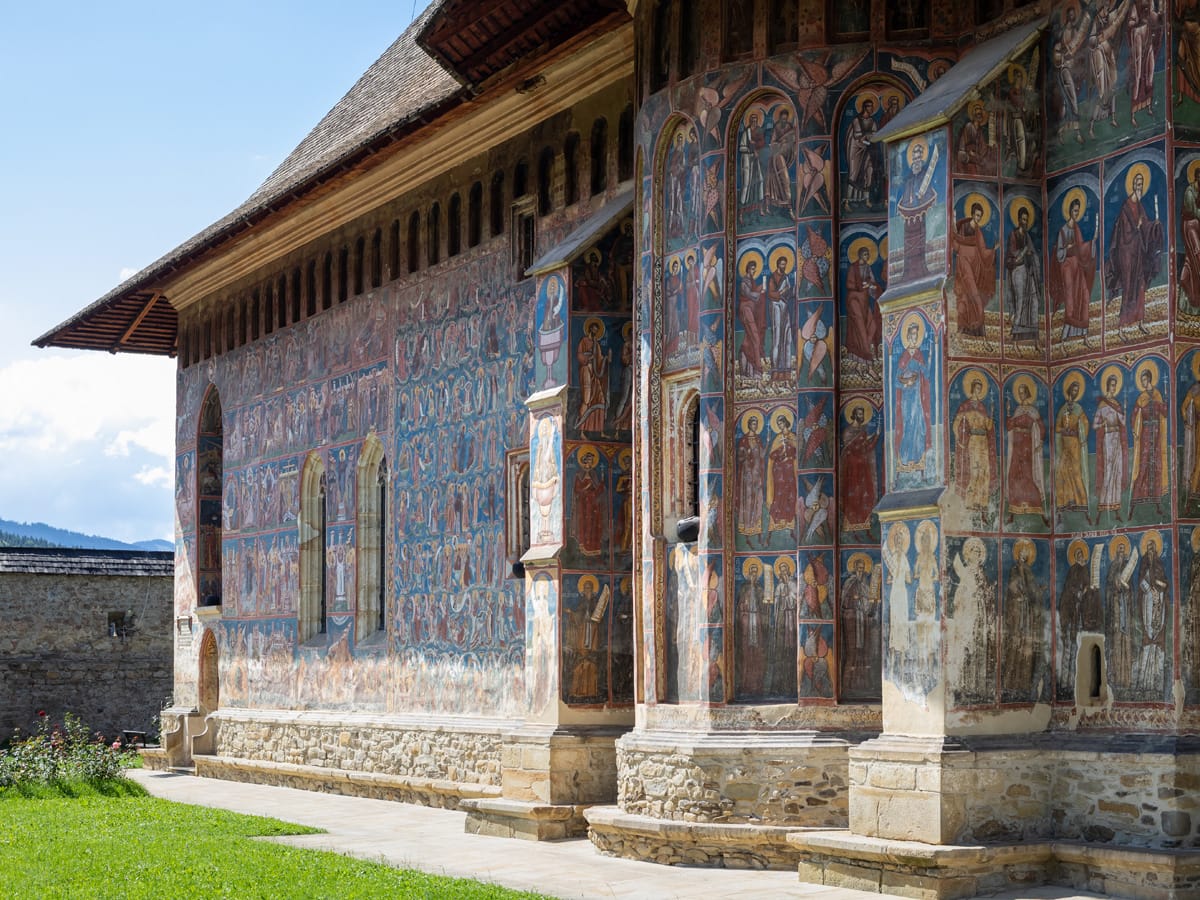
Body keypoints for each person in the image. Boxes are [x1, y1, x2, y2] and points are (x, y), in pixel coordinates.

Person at [1107, 169, 1162, 331]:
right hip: (1127, 254)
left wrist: (1154, 226)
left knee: (1140, 285)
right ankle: (1121, 326)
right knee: (1128, 287)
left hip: (1138, 252)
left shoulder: (1140, 205)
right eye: (1137, 184)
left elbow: (1144, 227)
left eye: (1141, 184)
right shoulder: (1126, 207)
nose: (1139, 187)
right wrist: (1136, 227)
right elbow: (1123, 235)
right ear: (1132, 185)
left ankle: (1140, 322)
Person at [1050, 196, 1096, 343]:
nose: (1076, 214)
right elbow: (1058, 255)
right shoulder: (1063, 231)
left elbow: (1082, 249)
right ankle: (1065, 335)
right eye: (1075, 211)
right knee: (1070, 299)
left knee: (1084, 295)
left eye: (1078, 211)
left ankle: (1083, 334)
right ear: (1070, 211)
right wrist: (1067, 248)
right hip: (1067, 268)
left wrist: (1091, 243)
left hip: (1078, 266)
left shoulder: (1077, 230)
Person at [1002, 541, 1042, 701]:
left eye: (1026, 553)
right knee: (1015, 648)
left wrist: (1038, 592)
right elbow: (1012, 588)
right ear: (1018, 554)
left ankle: (1024, 685)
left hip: (1027, 617)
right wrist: (1019, 593)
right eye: (1021, 552)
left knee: (1027, 649)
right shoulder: (1014, 570)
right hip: (1017, 616)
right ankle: (1010, 685)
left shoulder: (1029, 571)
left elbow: (1033, 591)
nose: (1023, 555)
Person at [952, 376, 997, 513]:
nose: (978, 390)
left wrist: (992, 415)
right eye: (977, 388)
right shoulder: (965, 406)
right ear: (972, 388)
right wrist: (958, 438)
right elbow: (956, 423)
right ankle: (970, 501)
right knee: (975, 471)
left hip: (983, 441)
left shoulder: (983, 407)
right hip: (974, 441)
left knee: (985, 471)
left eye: (980, 388)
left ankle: (981, 502)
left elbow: (988, 427)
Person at [1006, 380, 1048, 525]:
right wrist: (1008, 416)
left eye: (1023, 392)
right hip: (1017, 446)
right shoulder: (1017, 410)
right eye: (1020, 393)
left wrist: (1040, 442)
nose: (1021, 395)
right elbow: (1010, 426)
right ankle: (1013, 512)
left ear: (1027, 394)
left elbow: (1041, 426)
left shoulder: (1032, 410)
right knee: (1013, 475)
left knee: (1029, 476)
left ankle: (1040, 511)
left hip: (1027, 445)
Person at [1129, 364, 1168, 516]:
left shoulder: (1158, 395)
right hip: (1146, 434)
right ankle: (1133, 505)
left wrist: (1164, 402)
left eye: (1144, 379)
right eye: (1142, 380)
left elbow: (1164, 413)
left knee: (1156, 467)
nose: (1143, 382)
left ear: (1149, 379)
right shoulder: (1141, 397)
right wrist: (1134, 428)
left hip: (1157, 434)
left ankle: (1157, 503)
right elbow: (1134, 414)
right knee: (1143, 466)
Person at [953, 202, 995, 338]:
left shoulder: (978, 232)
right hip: (964, 263)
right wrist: (953, 220)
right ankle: (963, 327)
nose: (978, 218)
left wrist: (993, 250)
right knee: (966, 296)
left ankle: (976, 328)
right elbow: (956, 240)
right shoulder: (963, 226)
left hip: (975, 266)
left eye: (980, 216)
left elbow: (982, 251)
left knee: (973, 294)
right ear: (972, 214)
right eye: (977, 215)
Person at [895, 321, 931, 474]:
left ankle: (917, 460)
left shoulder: (919, 355)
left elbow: (927, 375)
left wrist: (925, 363)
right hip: (906, 398)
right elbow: (896, 380)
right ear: (908, 336)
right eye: (912, 334)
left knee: (917, 425)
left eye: (916, 335)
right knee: (907, 425)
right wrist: (906, 384)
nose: (914, 337)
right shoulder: (903, 356)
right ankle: (904, 459)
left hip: (917, 398)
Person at [1133, 535, 1167, 695]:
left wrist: (1160, 587)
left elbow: (1165, 582)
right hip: (1147, 601)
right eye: (1148, 549)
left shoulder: (1159, 564)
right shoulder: (1144, 565)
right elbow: (1141, 582)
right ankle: (1143, 682)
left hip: (1158, 603)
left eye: (1153, 548)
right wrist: (1150, 588)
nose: (1151, 551)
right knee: (1148, 637)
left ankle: (1157, 683)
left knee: (1158, 640)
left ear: (1156, 550)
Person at [1092, 371, 1127, 524]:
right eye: (1112, 385)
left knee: (1117, 472)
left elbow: (1124, 423)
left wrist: (1122, 413)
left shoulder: (1118, 404)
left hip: (1117, 438)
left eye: (1115, 386)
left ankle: (1116, 508)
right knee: (1108, 472)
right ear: (1108, 386)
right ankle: (1102, 508)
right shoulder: (1102, 404)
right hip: (1107, 439)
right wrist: (1103, 424)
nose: (1113, 388)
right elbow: (1094, 425)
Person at [840, 404, 879, 537]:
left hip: (863, 468)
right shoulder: (848, 431)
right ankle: (853, 529)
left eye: (863, 414)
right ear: (854, 415)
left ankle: (865, 527)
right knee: (853, 497)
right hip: (852, 469)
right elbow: (851, 448)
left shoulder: (863, 431)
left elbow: (866, 448)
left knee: (865, 494)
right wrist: (865, 441)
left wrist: (877, 437)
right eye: (860, 414)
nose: (862, 416)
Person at [1005, 205, 1042, 344]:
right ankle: (1015, 335)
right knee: (1020, 302)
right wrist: (1024, 252)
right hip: (1018, 271)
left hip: (1028, 270)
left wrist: (1031, 255)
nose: (1025, 222)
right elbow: (1013, 255)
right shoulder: (1013, 235)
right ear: (1019, 220)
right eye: (1023, 219)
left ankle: (1035, 338)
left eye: (1027, 220)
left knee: (1034, 301)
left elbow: (1033, 254)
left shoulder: (1027, 237)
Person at [844, 245, 882, 361]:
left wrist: (871, 285)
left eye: (868, 254)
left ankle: (866, 349)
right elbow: (849, 284)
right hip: (854, 299)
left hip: (864, 300)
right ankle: (865, 354)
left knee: (872, 325)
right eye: (865, 254)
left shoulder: (868, 267)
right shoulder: (853, 268)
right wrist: (861, 285)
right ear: (860, 255)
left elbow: (872, 282)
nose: (867, 256)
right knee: (859, 324)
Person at [575, 320, 611, 435]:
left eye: (597, 330)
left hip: (595, 374)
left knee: (600, 399)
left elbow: (599, 360)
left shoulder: (597, 344)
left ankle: (600, 431)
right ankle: (581, 432)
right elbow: (580, 355)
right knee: (586, 399)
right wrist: (588, 358)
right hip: (586, 370)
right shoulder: (584, 341)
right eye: (594, 329)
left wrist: (606, 360)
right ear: (590, 329)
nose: (595, 332)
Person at [766, 412, 798, 540]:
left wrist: (789, 446)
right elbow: (772, 456)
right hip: (779, 474)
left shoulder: (793, 437)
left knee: (791, 497)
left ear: (786, 422)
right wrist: (780, 452)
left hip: (790, 473)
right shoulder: (777, 438)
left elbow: (796, 453)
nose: (780, 425)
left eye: (782, 423)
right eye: (778, 424)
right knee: (778, 499)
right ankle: (772, 529)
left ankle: (791, 528)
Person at [844, 96, 878, 211]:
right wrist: (868, 136)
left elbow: (875, 134)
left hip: (868, 149)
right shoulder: (856, 120)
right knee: (854, 174)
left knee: (869, 171)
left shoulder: (872, 121)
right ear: (864, 107)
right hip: (857, 150)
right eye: (869, 106)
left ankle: (867, 200)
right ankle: (847, 202)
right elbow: (857, 136)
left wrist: (868, 136)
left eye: (872, 106)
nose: (871, 108)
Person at [736, 414, 766, 544]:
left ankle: (757, 531)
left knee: (758, 501)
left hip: (757, 475)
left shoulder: (758, 439)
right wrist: (746, 454)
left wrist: (768, 443)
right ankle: (747, 532)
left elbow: (762, 455)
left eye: (756, 424)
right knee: (748, 501)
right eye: (753, 424)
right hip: (748, 475)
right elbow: (740, 458)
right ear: (749, 425)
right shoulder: (743, 440)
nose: (755, 426)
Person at [766, 255, 796, 377]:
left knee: (787, 336)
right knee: (777, 337)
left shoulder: (786, 277)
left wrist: (793, 291)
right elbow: (771, 294)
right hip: (776, 306)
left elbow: (788, 293)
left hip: (784, 305)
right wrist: (782, 292)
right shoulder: (773, 278)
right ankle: (775, 369)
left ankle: (786, 368)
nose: (784, 266)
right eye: (782, 264)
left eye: (785, 264)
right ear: (778, 264)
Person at [737, 258, 767, 377]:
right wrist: (760, 293)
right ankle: (758, 369)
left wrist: (761, 288)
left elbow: (754, 292)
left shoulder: (751, 281)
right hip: (746, 310)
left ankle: (746, 371)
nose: (754, 271)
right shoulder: (744, 281)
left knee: (749, 339)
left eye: (755, 269)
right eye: (752, 269)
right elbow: (748, 294)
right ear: (748, 269)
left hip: (750, 310)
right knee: (755, 337)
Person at [764, 109, 796, 216]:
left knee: (785, 181)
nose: (784, 121)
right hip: (777, 157)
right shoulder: (777, 127)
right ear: (779, 118)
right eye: (782, 119)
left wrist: (786, 141)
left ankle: (788, 207)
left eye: (785, 119)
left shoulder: (789, 128)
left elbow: (793, 141)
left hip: (785, 156)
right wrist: (779, 143)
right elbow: (772, 142)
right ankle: (787, 207)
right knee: (780, 180)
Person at [1181, 165, 1200, 313]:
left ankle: (1191, 299)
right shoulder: (1189, 191)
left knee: (1192, 261)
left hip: (1198, 226)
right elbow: (1193, 211)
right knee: (1196, 256)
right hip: (1191, 227)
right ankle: (1194, 297)